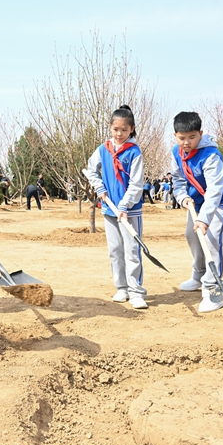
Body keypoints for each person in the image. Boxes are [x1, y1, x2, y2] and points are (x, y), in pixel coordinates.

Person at [170, 111, 223, 313]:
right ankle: (198, 275)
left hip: (218, 202)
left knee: (211, 241)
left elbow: (215, 189)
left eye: (192, 137)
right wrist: (182, 197)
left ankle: (212, 289)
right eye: (182, 138)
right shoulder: (176, 152)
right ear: (175, 136)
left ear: (201, 133)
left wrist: (205, 219)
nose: (187, 142)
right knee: (191, 235)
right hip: (196, 201)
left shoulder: (210, 155)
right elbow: (177, 180)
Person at [86, 105, 147, 309]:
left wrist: (124, 205)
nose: (119, 134)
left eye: (124, 130)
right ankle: (122, 288)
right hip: (109, 209)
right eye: (115, 129)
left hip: (129, 210)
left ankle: (136, 291)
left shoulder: (134, 152)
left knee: (132, 250)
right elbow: (91, 169)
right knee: (115, 250)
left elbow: (136, 184)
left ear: (132, 129)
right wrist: (99, 187)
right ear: (110, 128)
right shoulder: (103, 149)